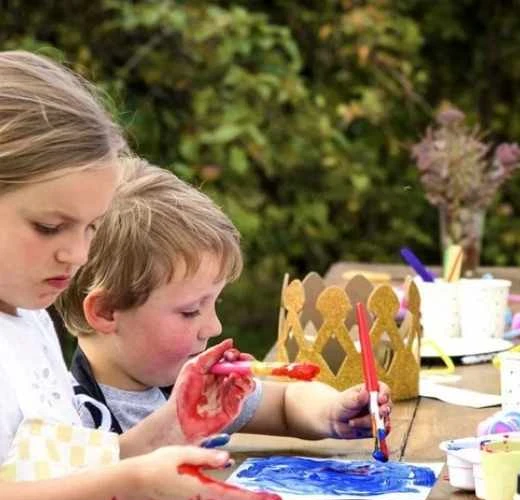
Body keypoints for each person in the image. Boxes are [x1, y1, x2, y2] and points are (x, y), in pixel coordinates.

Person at [0, 50, 277, 500]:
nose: (77, 253)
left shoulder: (29, 317)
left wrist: (172, 428)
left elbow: (54, 468)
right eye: (50, 227)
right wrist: (140, 482)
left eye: (91, 228)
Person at [55, 157, 391, 443]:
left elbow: (285, 402)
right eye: (190, 311)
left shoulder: (183, 383)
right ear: (107, 310)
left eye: (215, 302)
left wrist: (334, 413)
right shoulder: (72, 422)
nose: (213, 326)